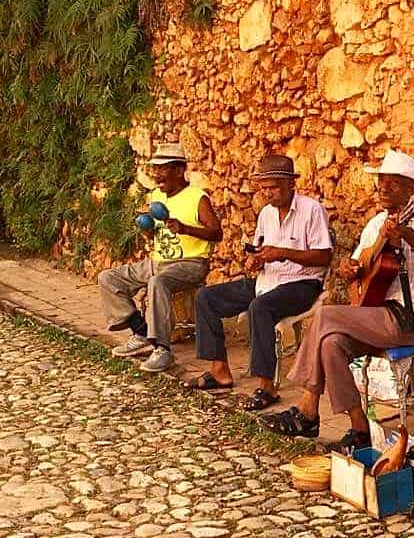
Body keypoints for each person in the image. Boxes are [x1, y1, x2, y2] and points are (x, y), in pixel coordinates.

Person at [263, 149, 414, 445]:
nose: (383, 189)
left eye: (392, 184)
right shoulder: (378, 222)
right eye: (380, 183)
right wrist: (349, 268)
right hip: (376, 315)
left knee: (326, 315)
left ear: (410, 188)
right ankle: (360, 429)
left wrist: (411, 239)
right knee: (331, 343)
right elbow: (355, 267)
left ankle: (308, 409)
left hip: (412, 320)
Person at [181, 155, 332, 409]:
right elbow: (261, 251)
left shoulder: (311, 209)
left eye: (273, 187)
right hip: (267, 280)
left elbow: (323, 256)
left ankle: (267, 387)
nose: (268, 193)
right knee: (206, 297)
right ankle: (219, 370)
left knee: (260, 307)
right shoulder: (266, 214)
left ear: (290, 185)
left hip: (302, 283)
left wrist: (283, 252)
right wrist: (256, 261)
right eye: (264, 188)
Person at [98, 142, 222, 372]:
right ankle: (142, 333)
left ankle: (162, 349)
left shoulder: (197, 198)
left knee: (158, 282)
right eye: (155, 169)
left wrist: (186, 229)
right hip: (157, 261)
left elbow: (216, 233)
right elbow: (158, 230)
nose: (156, 174)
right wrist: (149, 231)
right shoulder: (157, 196)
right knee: (108, 277)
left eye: (162, 169)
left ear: (178, 170)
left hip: (190, 263)